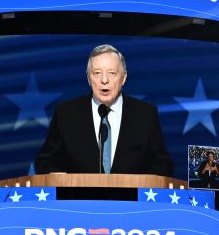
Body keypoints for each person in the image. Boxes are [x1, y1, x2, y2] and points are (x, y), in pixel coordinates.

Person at [35, 45, 173, 177]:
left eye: (112, 73)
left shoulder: (145, 115)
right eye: (97, 73)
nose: (104, 80)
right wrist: (61, 178)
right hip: (80, 199)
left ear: (123, 78)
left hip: (129, 200)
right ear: (89, 78)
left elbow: (162, 164)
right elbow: (45, 162)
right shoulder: (66, 114)